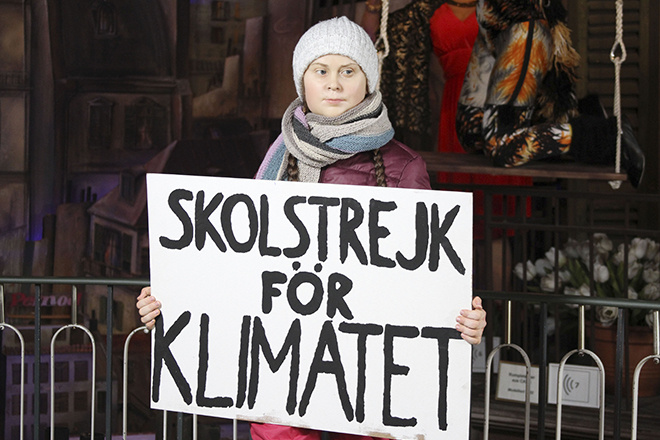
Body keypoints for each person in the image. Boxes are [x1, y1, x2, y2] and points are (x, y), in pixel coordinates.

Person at [137, 16, 487, 440]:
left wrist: (461, 320)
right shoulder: (277, 158)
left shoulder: (403, 167)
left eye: (348, 71)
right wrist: (175, 301)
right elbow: (241, 264)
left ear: (368, 81)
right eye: (321, 70)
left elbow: (426, 280)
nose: (334, 84)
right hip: (283, 373)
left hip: (366, 376)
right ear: (303, 81)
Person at [456, 0, 645, 188]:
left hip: (522, 21)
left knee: (503, 148)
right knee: (470, 132)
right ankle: (585, 115)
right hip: (493, 11)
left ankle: (604, 135)